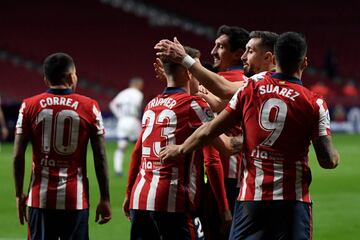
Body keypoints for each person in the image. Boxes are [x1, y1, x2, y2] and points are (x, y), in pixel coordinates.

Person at [159, 32, 340, 240]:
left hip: (251, 198)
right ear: (304, 62)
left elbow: (212, 123)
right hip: (292, 200)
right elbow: (327, 159)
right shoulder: (314, 102)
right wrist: (335, 157)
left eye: (250, 50)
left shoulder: (252, 87)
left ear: (274, 58)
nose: (244, 56)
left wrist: (180, 148)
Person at [122, 47, 225, 240]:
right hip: (172, 201)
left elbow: (137, 152)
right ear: (189, 72)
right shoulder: (195, 105)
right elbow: (226, 146)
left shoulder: (151, 104)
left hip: (140, 198)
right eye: (196, 70)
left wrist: (128, 193)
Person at [13, 53, 112, 240]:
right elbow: (100, 155)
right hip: (75, 199)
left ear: (46, 79)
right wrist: (104, 198)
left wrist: (19, 194)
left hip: (39, 199)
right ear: (70, 76)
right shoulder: (89, 106)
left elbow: (18, 154)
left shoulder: (28, 105)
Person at [109, 77, 144, 176]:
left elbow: (112, 104)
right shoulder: (138, 94)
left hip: (122, 120)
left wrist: (119, 116)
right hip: (133, 120)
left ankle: (118, 170)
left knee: (121, 146)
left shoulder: (123, 93)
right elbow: (138, 107)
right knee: (138, 146)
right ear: (137, 84)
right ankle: (140, 168)